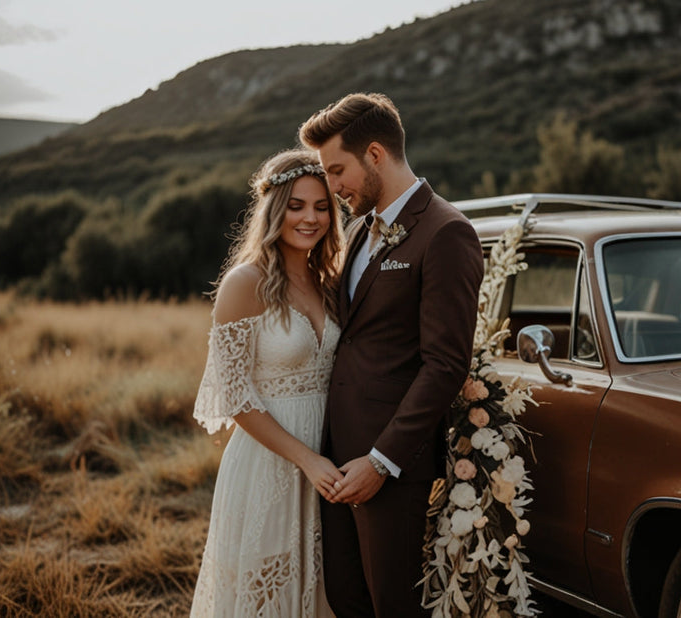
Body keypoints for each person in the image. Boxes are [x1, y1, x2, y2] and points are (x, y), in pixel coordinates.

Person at [299, 93, 484, 617]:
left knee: (393, 606)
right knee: (346, 598)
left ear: (375, 155)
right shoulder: (360, 230)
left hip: (389, 467)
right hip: (335, 457)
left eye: (337, 171)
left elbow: (446, 363)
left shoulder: (447, 232)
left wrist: (382, 462)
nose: (332, 188)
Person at [190, 148, 346, 618]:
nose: (311, 218)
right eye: (297, 205)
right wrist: (308, 461)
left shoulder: (330, 282)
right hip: (270, 464)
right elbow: (235, 395)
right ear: (275, 208)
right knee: (266, 592)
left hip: (330, 457)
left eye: (322, 207)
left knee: (324, 589)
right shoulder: (245, 283)